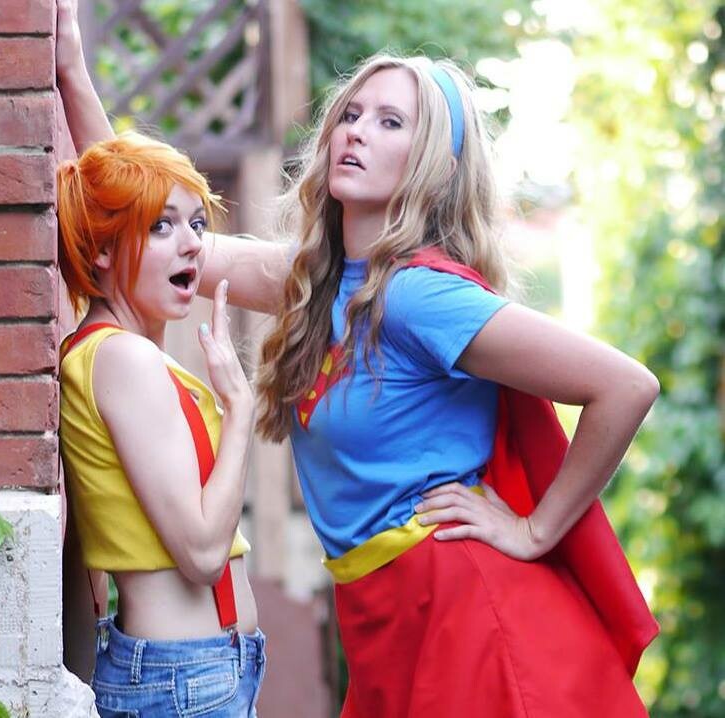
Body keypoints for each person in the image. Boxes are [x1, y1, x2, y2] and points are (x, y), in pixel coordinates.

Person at [56, 2, 659, 715]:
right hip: (383, 618)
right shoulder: (311, 281)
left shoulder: (418, 297)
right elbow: (133, 219)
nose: (357, 131)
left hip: (464, 614)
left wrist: (534, 530)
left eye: (390, 122)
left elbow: (625, 385)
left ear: (435, 166)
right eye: (351, 113)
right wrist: (70, 70)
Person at [56, 130, 265, 717]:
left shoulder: (113, 353)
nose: (193, 244)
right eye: (161, 226)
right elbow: (202, 553)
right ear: (103, 249)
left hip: (192, 675)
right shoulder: (124, 358)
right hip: (183, 680)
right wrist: (240, 411)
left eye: (196, 224)